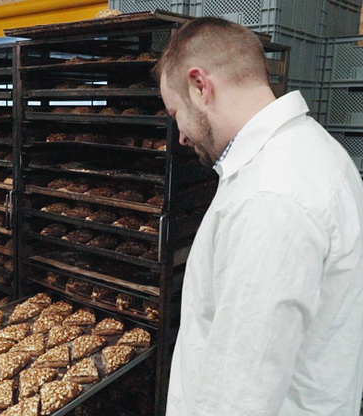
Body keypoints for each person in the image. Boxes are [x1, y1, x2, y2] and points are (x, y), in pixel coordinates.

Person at [155, 17, 363, 415]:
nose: (179, 134)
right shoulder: (312, 151)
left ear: (200, 86)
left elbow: (241, 394)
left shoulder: (271, 196)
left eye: (174, 112)